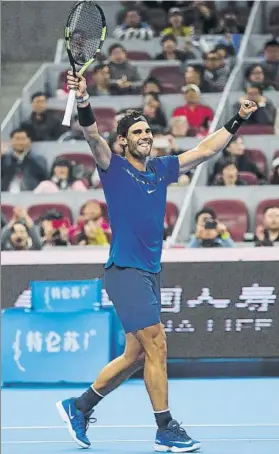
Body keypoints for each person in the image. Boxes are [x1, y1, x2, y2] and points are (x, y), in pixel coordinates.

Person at [56, 69, 257, 452]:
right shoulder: (112, 167)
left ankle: (79, 407)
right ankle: (165, 427)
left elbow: (205, 150)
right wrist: (83, 99)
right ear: (123, 141)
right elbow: (91, 135)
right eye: (137, 132)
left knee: (135, 355)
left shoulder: (162, 169)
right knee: (158, 345)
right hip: (125, 270)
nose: (145, 136)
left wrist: (238, 118)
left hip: (149, 272)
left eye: (148, 131)